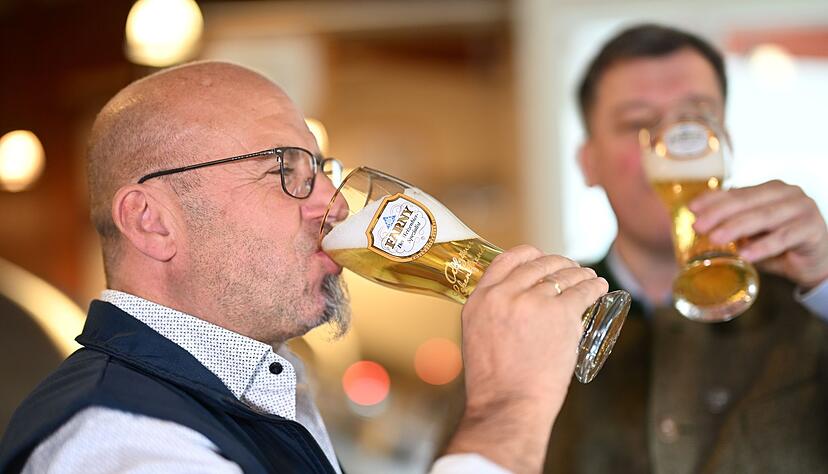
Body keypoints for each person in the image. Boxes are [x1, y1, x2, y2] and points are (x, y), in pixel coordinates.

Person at [0, 61, 608, 474]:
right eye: (286, 171)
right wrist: (506, 411)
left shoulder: (261, 384)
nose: (336, 204)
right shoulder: (115, 441)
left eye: (321, 168)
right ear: (152, 221)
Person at [544, 24, 828, 473]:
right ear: (589, 163)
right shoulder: (541, 318)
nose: (673, 146)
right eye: (639, 124)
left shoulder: (810, 299)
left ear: (726, 143)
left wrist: (825, 282)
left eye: (697, 118)